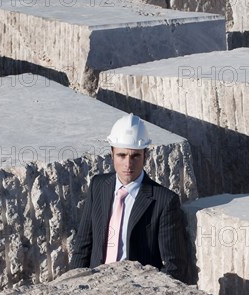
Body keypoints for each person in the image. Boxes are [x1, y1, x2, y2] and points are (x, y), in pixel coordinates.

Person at [70, 113, 188, 283]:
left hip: (134, 292)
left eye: (135, 156)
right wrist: (75, 283)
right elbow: (83, 244)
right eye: (122, 155)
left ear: (145, 155)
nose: (128, 164)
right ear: (112, 153)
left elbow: (174, 265)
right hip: (96, 285)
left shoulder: (164, 201)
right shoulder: (98, 186)